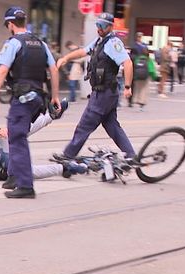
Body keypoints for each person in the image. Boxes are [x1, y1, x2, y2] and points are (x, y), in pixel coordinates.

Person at [0, 7, 60, 199]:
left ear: (10, 24)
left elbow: (3, 70)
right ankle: (14, 175)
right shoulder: (40, 43)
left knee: (17, 137)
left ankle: (25, 185)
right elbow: (54, 70)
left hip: (22, 98)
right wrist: (54, 96)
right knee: (15, 133)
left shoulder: (13, 43)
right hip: (38, 98)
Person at [54, 12, 136, 163]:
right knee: (112, 126)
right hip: (105, 92)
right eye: (98, 24)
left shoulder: (113, 43)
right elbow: (83, 51)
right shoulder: (100, 41)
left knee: (85, 124)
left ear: (110, 27)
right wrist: (66, 58)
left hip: (104, 92)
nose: (99, 28)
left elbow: (128, 63)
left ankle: (68, 155)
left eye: (103, 25)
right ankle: (131, 155)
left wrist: (128, 86)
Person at [131, 46, 157, 111]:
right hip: (145, 77)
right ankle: (141, 104)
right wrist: (154, 77)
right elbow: (151, 70)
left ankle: (135, 100)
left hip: (137, 77)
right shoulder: (148, 60)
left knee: (137, 89)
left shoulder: (138, 59)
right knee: (144, 90)